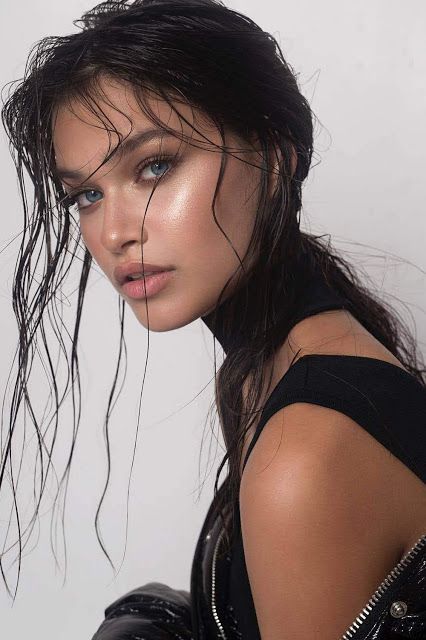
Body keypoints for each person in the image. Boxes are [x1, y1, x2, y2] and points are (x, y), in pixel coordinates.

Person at [1, 0, 426, 638]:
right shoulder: (287, 368)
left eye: (154, 166)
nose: (114, 232)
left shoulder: (307, 447)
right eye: (87, 194)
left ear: (275, 154)